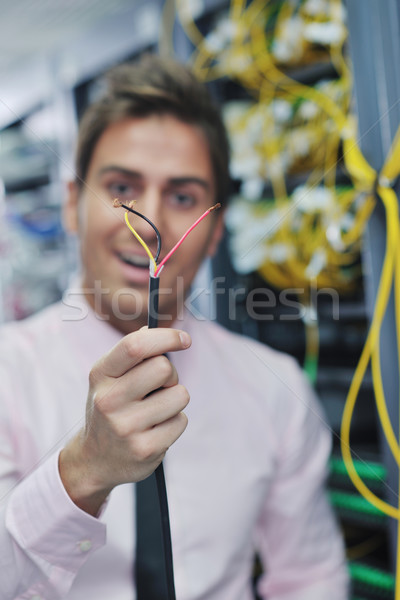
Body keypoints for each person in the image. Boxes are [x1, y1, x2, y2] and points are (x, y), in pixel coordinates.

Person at [0, 54, 349, 599]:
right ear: (73, 204)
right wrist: (81, 473)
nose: (154, 222)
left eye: (183, 196)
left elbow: (310, 580)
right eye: (122, 187)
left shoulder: (274, 390)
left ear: (215, 235)